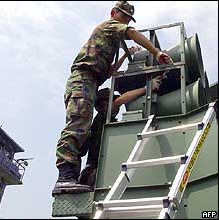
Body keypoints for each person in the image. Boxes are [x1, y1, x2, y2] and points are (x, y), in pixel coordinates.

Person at [52, 1, 173, 196]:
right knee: (77, 125)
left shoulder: (109, 41)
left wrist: (126, 56)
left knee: (81, 129)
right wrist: (156, 52)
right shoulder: (108, 26)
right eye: (123, 16)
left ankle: (71, 177)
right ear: (113, 13)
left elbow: (109, 72)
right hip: (82, 80)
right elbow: (132, 33)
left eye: (127, 18)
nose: (125, 20)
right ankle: (65, 177)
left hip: (91, 82)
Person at [78, 76, 163, 188]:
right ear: (103, 104)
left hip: (96, 172)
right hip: (93, 174)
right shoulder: (103, 117)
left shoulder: (105, 122)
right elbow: (119, 101)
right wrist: (147, 88)